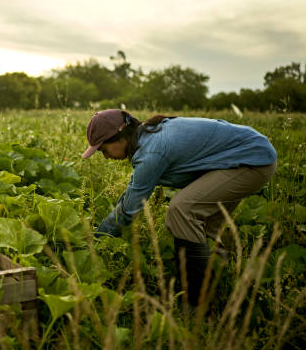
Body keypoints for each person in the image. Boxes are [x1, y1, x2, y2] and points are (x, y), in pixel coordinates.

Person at [82, 109, 277, 307]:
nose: (105, 156)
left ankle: (198, 301)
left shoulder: (152, 151)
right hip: (246, 154)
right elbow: (132, 193)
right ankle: (217, 281)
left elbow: (129, 209)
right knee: (202, 224)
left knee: (182, 210)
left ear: (119, 137)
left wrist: (95, 240)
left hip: (252, 161)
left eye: (103, 150)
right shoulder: (147, 137)